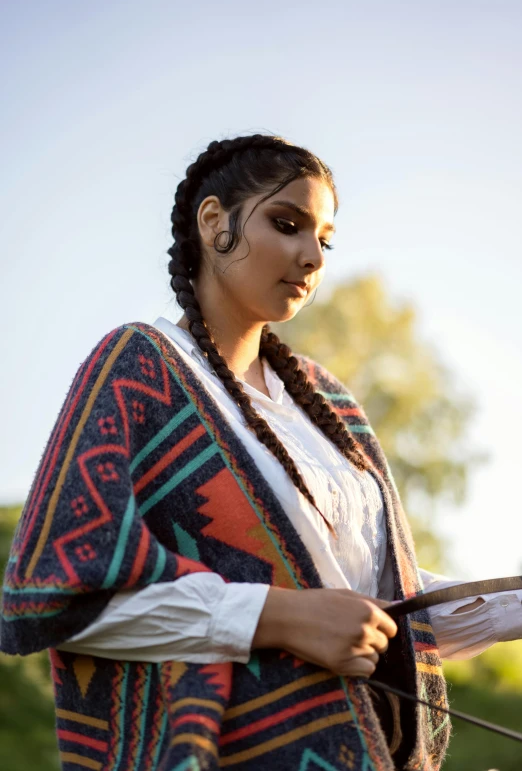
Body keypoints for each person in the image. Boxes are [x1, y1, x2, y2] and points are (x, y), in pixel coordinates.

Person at [2, 133, 521, 771]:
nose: (311, 256)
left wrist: (512, 605)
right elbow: (50, 597)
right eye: (287, 224)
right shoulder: (140, 366)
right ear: (213, 221)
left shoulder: (330, 404)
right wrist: (278, 618)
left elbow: (384, 611)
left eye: (324, 239)